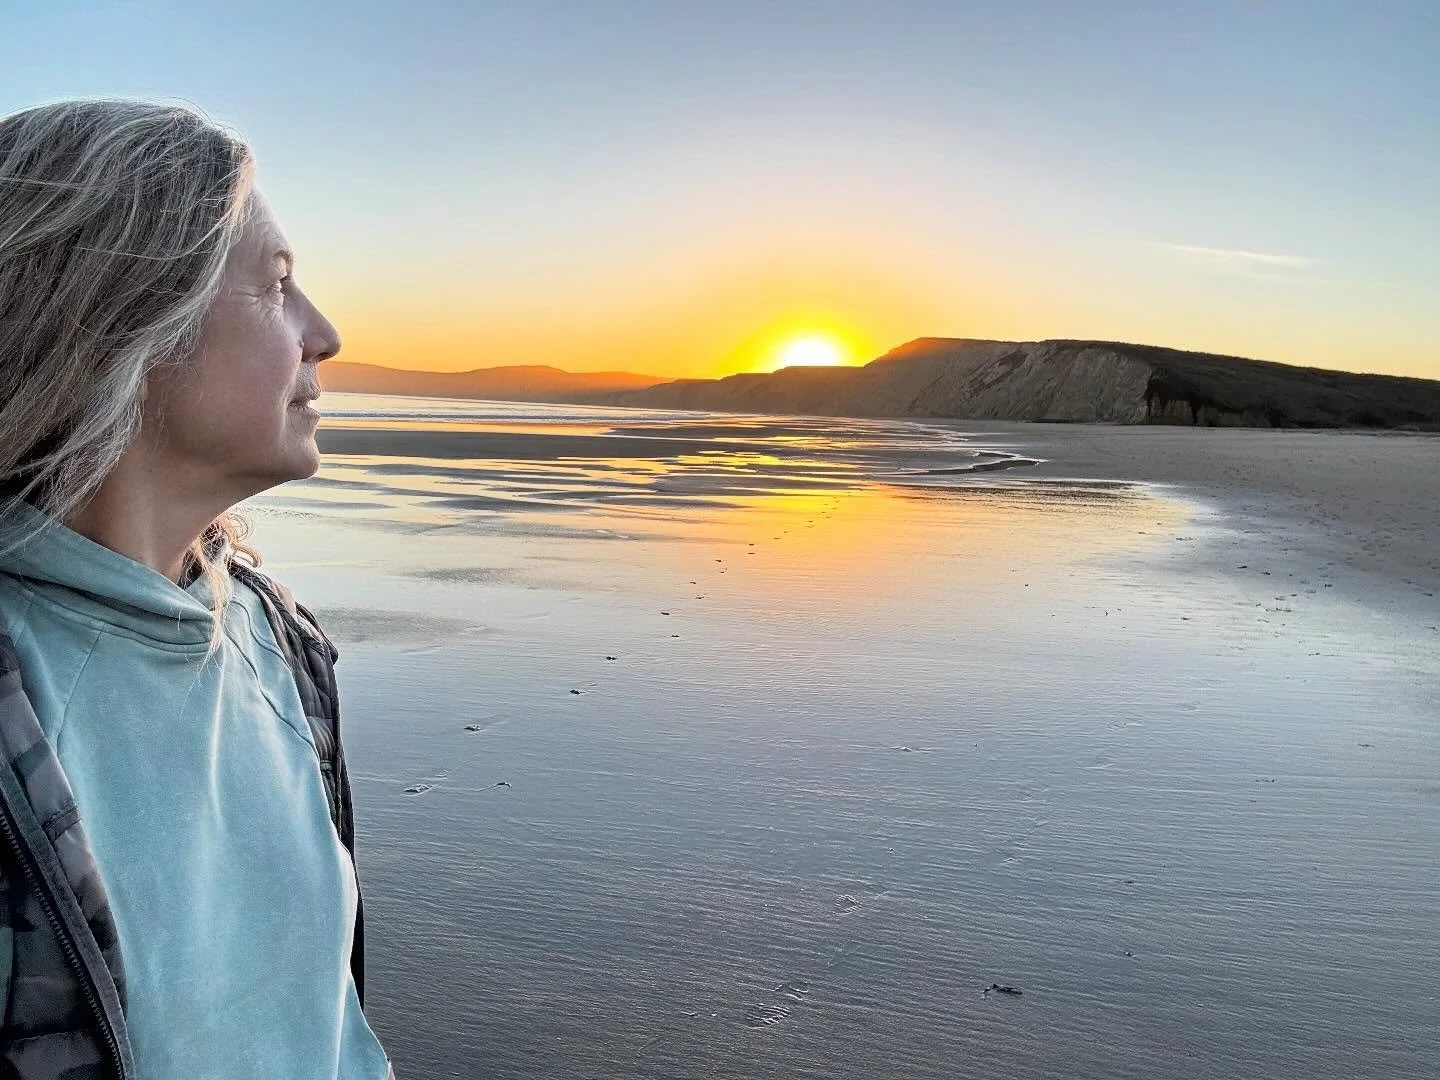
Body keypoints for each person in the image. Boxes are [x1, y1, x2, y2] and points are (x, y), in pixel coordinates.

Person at [0, 99, 393, 1078]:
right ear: (125, 320)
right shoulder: (20, 691)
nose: (326, 334)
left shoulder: (277, 635)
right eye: (278, 285)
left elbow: (326, 1019)